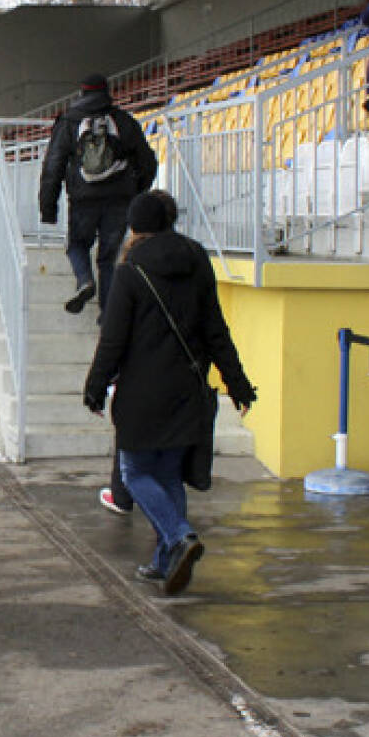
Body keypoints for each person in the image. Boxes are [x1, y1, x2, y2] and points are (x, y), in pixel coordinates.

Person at [83, 189, 256, 597]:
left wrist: (95, 385)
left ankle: (179, 537)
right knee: (168, 475)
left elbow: (114, 340)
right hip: (188, 391)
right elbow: (216, 330)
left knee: (135, 473)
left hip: (142, 395)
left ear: (135, 226)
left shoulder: (129, 273)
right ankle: (164, 563)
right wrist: (238, 383)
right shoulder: (197, 262)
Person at [38, 73, 158, 317]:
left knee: (77, 245)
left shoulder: (69, 122)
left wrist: (48, 208)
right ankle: (108, 316)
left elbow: (53, 166)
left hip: (83, 200)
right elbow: (148, 161)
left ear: (82, 93)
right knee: (108, 257)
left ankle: (84, 280)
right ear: (107, 92)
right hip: (119, 200)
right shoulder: (123, 121)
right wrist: (136, 192)